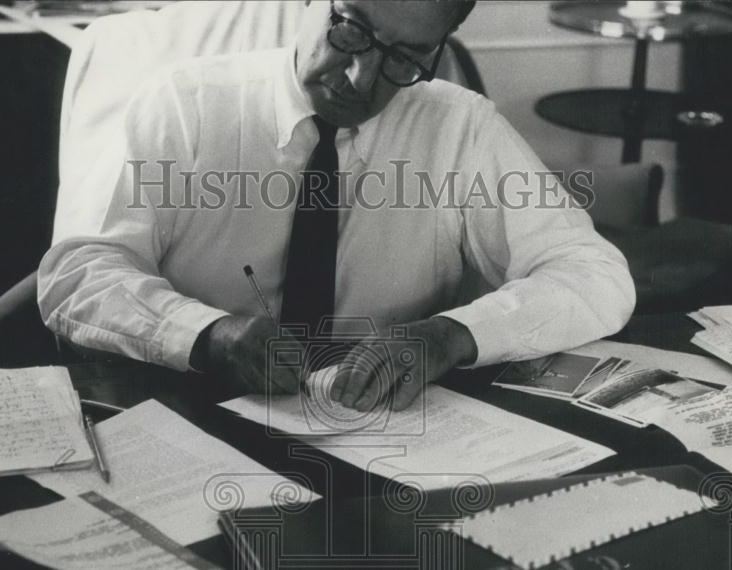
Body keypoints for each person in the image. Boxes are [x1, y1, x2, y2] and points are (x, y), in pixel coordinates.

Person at [37, 0, 635, 412]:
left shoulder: (459, 126)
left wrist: (449, 336)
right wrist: (209, 334)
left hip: (386, 435)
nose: (358, 75)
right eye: (350, 29)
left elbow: (594, 274)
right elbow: (78, 273)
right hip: (191, 412)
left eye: (403, 58)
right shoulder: (183, 104)